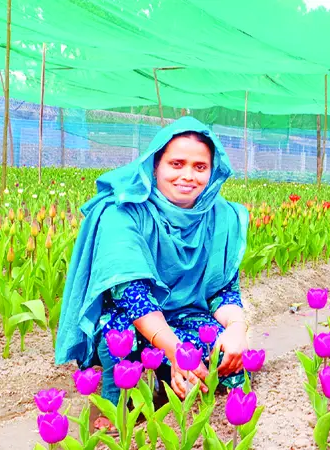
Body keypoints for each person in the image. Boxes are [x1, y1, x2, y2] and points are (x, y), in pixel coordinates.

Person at [55, 117, 250, 431]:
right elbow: (134, 299)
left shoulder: (222, 218)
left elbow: (223, 292)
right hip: (132, 319)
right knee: (118, 339)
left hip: (186, 316)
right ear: (155, 165)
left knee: (225, 357)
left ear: (213, 171)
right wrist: (176, 350)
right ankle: (119, 401)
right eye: (176, 163)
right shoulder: (122, 213)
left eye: (200, 167)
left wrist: (238, 328)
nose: (188, 176)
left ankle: (167, 386)